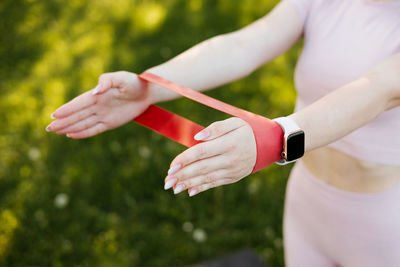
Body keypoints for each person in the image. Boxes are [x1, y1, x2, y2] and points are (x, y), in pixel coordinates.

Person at [46, 0, 400, 266]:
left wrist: (274, 138)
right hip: (307, 201)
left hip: (383, 227)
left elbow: (377, 89)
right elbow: (247, 43)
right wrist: (149, 86)